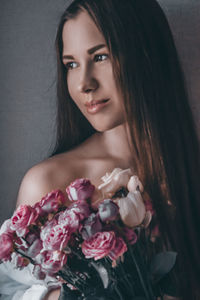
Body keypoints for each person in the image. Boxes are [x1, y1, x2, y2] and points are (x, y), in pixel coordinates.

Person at [0, 0, 200, 299]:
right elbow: (14, 289)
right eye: (71, 64)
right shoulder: (50, 185)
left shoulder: (189, 171)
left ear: (147, 54)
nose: (83, 83)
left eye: (101, 56)